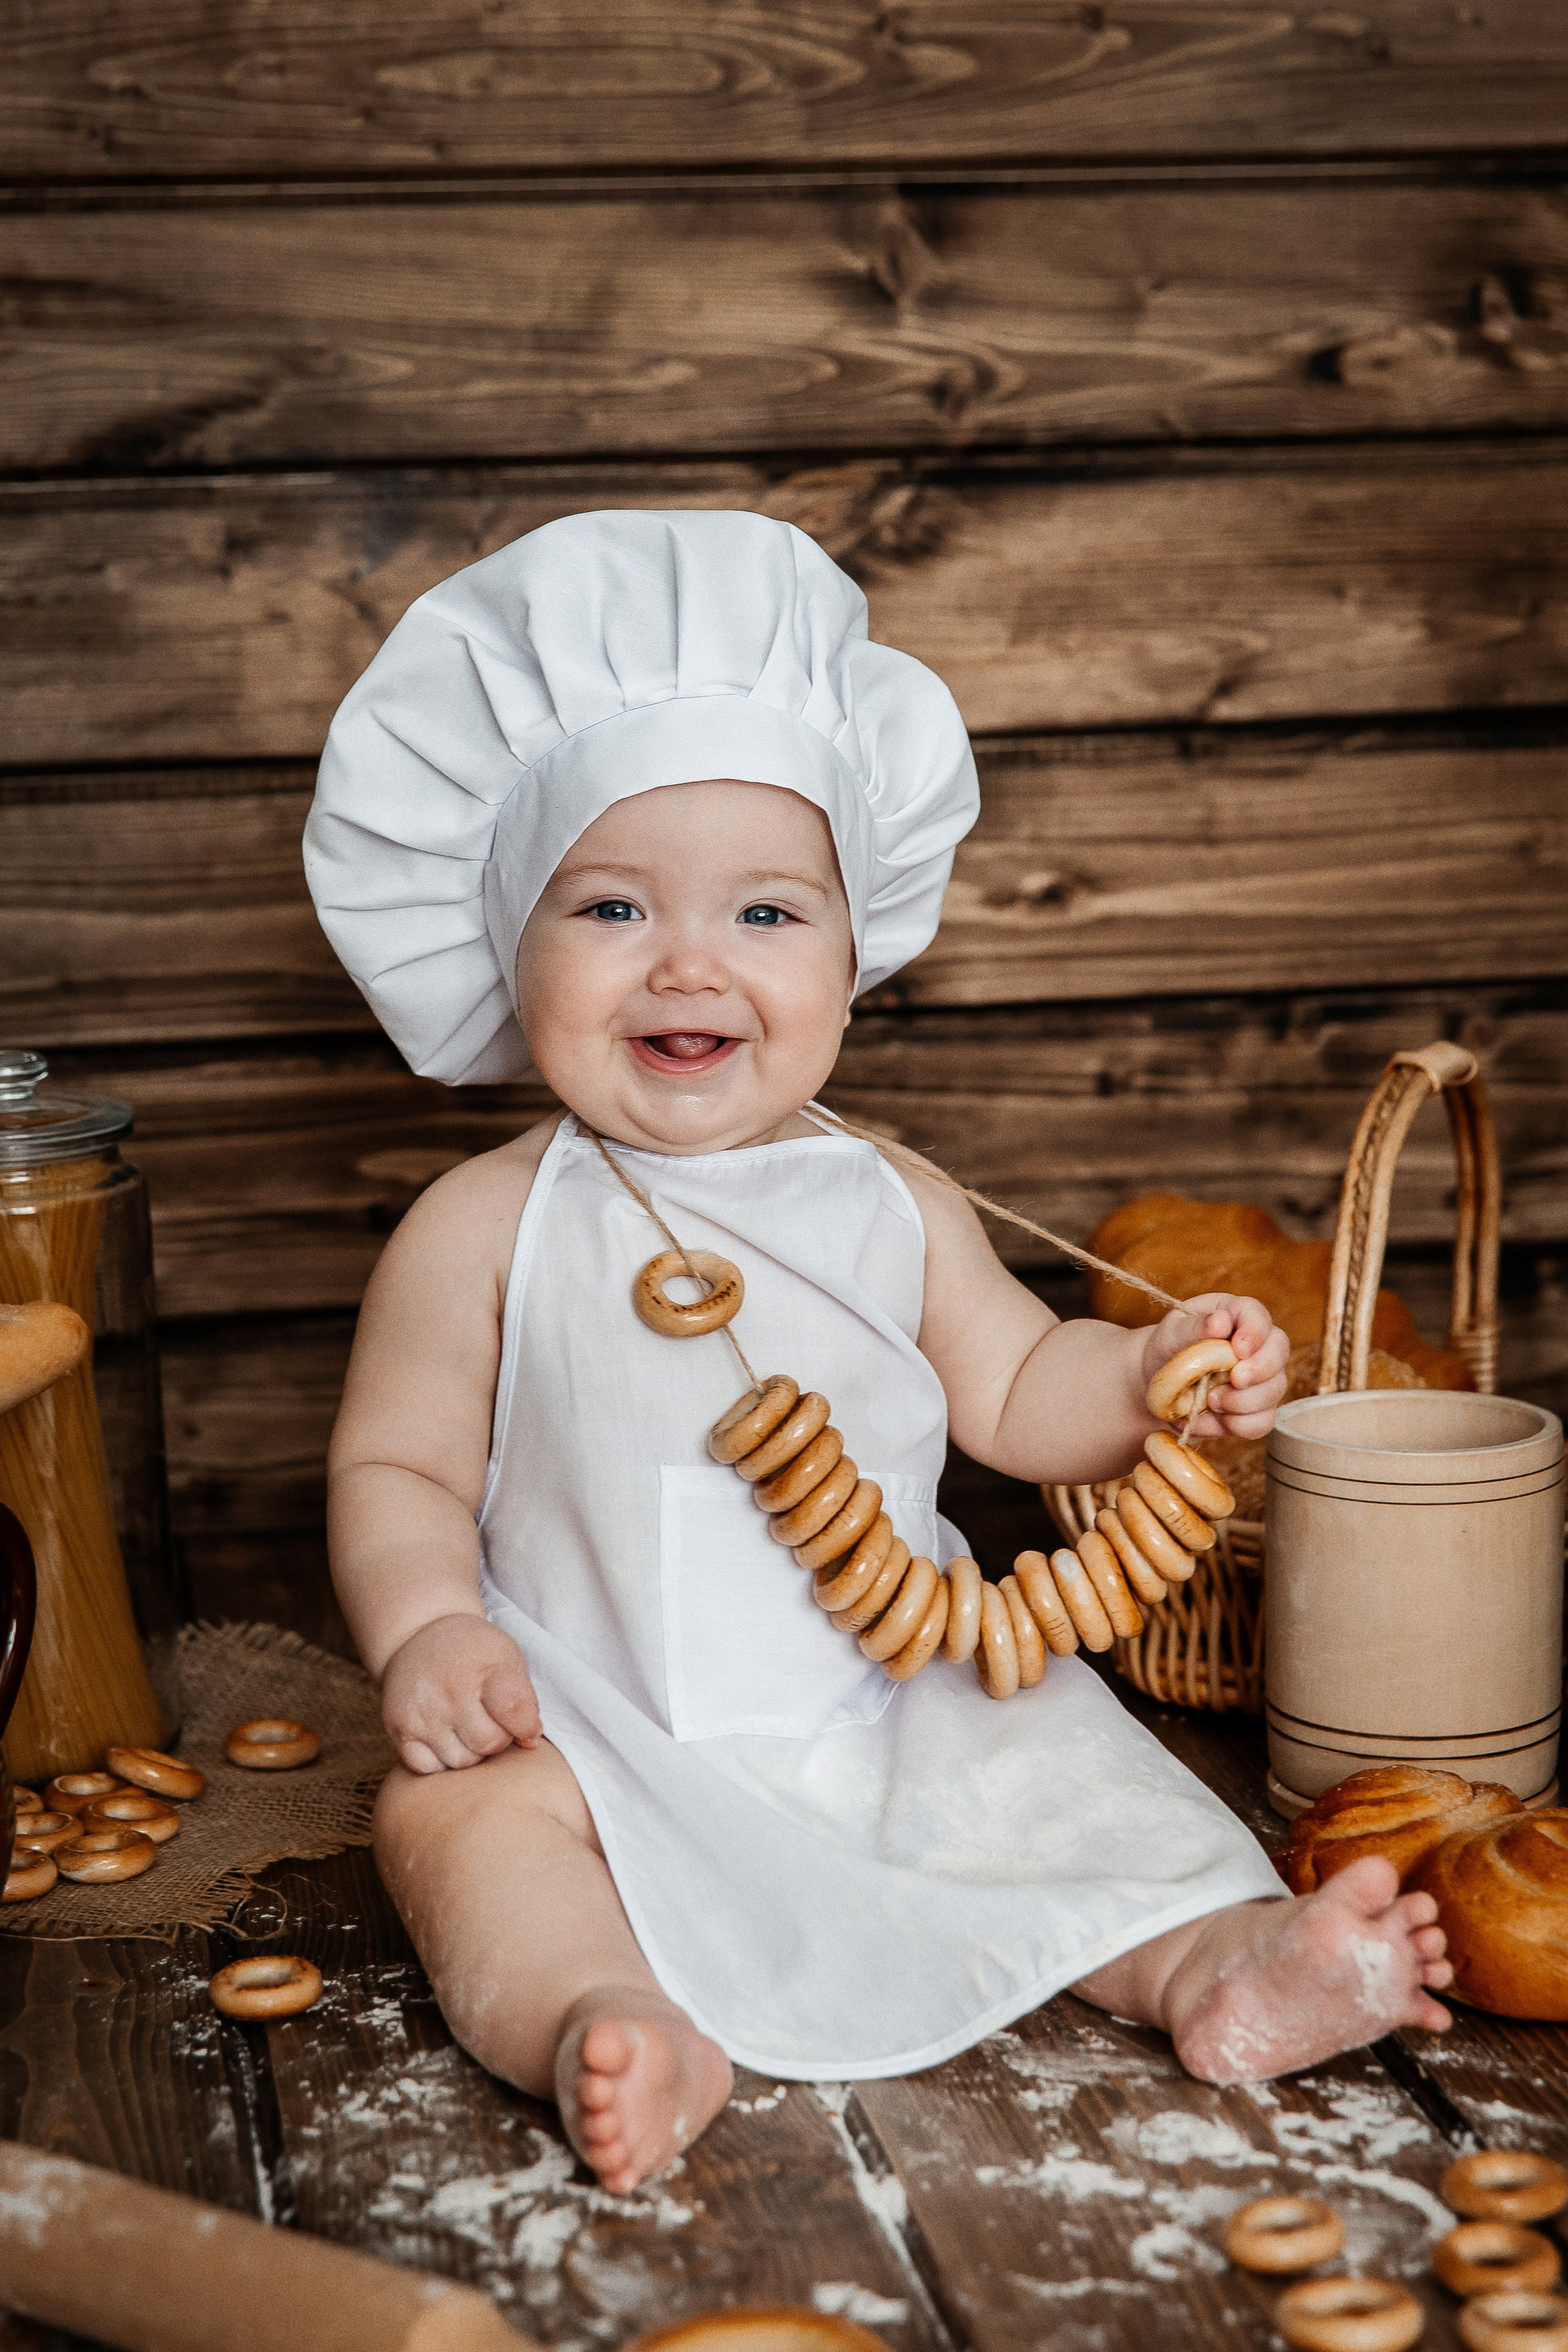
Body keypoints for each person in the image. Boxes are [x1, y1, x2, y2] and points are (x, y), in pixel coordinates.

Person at [304, 511, 1452, 2196]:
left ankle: (1216, 1965)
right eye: (611, 904)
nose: (689, 961)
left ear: (857, 960)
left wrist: (1150, 1377)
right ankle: (605, 2015)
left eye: (766, 912)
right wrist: (429, 1629)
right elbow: (396, 1464)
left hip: (889, 1691)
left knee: (1072, 1775)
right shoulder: (482, 1224)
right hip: (593, 1717)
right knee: (454, 1826)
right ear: (507, 944)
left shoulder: (891, 1198)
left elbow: (1019, 1393)